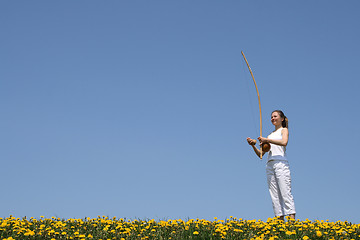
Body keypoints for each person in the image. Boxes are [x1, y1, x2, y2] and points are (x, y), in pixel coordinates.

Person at [246, 110, 296, 221]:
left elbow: (284, 142)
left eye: (275, 116)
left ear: (282, 119)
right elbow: (260, 154)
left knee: (285, 192)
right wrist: (253, 145)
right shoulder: (270, 135)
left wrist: (267, 140)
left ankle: (292, 225)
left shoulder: (284, 130)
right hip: (270, 165)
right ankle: (279, 225)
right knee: (274, 195)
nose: (272, 118)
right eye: (271, 117)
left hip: (280, 163)